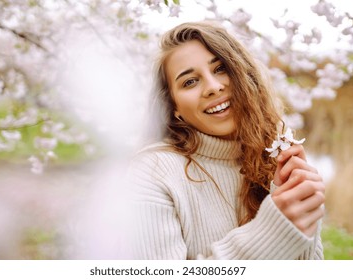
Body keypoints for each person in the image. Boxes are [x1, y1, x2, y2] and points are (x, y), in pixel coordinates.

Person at [127, 21, 325, 260]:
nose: (212, 87)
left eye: (221, 68)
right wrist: (275, 229)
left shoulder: (275, 152)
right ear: (174, 106)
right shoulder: (153, 172)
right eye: (189, 81)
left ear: (244, 75)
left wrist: (300, 211)